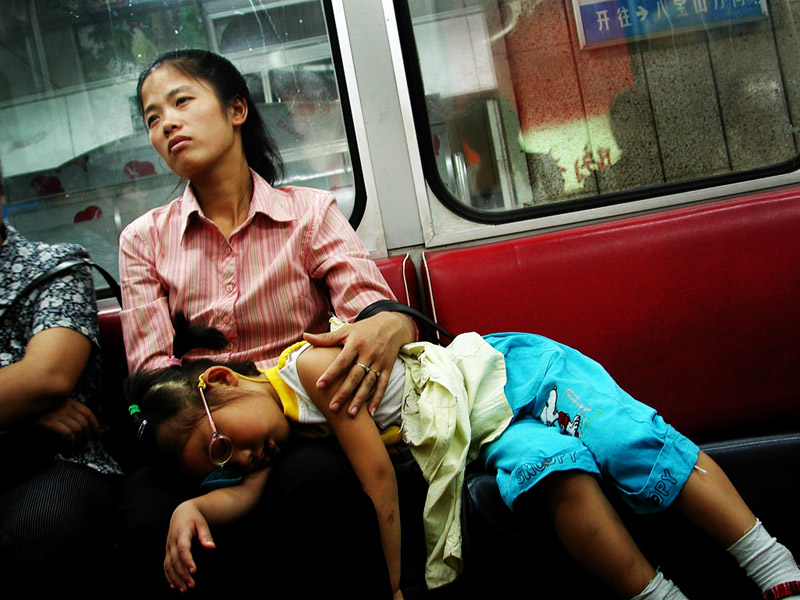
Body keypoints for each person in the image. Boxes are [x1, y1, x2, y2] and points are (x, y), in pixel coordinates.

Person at [126, 314, 800, 600]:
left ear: (222, 381)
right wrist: (193, 508)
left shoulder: (310, 374)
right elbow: (247, 490)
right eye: (225, 463)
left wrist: (396, 587)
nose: (243, 459)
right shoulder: (276, 430)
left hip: (510, 375)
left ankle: (773, 565)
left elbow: (379, 483)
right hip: (487, 430)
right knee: (551, 477)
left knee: (626, 442)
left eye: (224, 445)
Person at [116, 49, 417, 597]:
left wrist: (391, 323)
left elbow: (370, 317)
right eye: (153, 119)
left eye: (181, 102)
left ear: (236, 110)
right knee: (146, 517)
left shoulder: (308, 214)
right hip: (201, 425)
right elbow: (154, 376)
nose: (167, 125)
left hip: (302, 417)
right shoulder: (143, 241)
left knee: (314, 481)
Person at [0, 175, 123, 598]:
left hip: (55, 458)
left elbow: (47, 379)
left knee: (39, 530)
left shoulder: (54, 266)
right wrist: (17, 408)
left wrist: (27, 400)